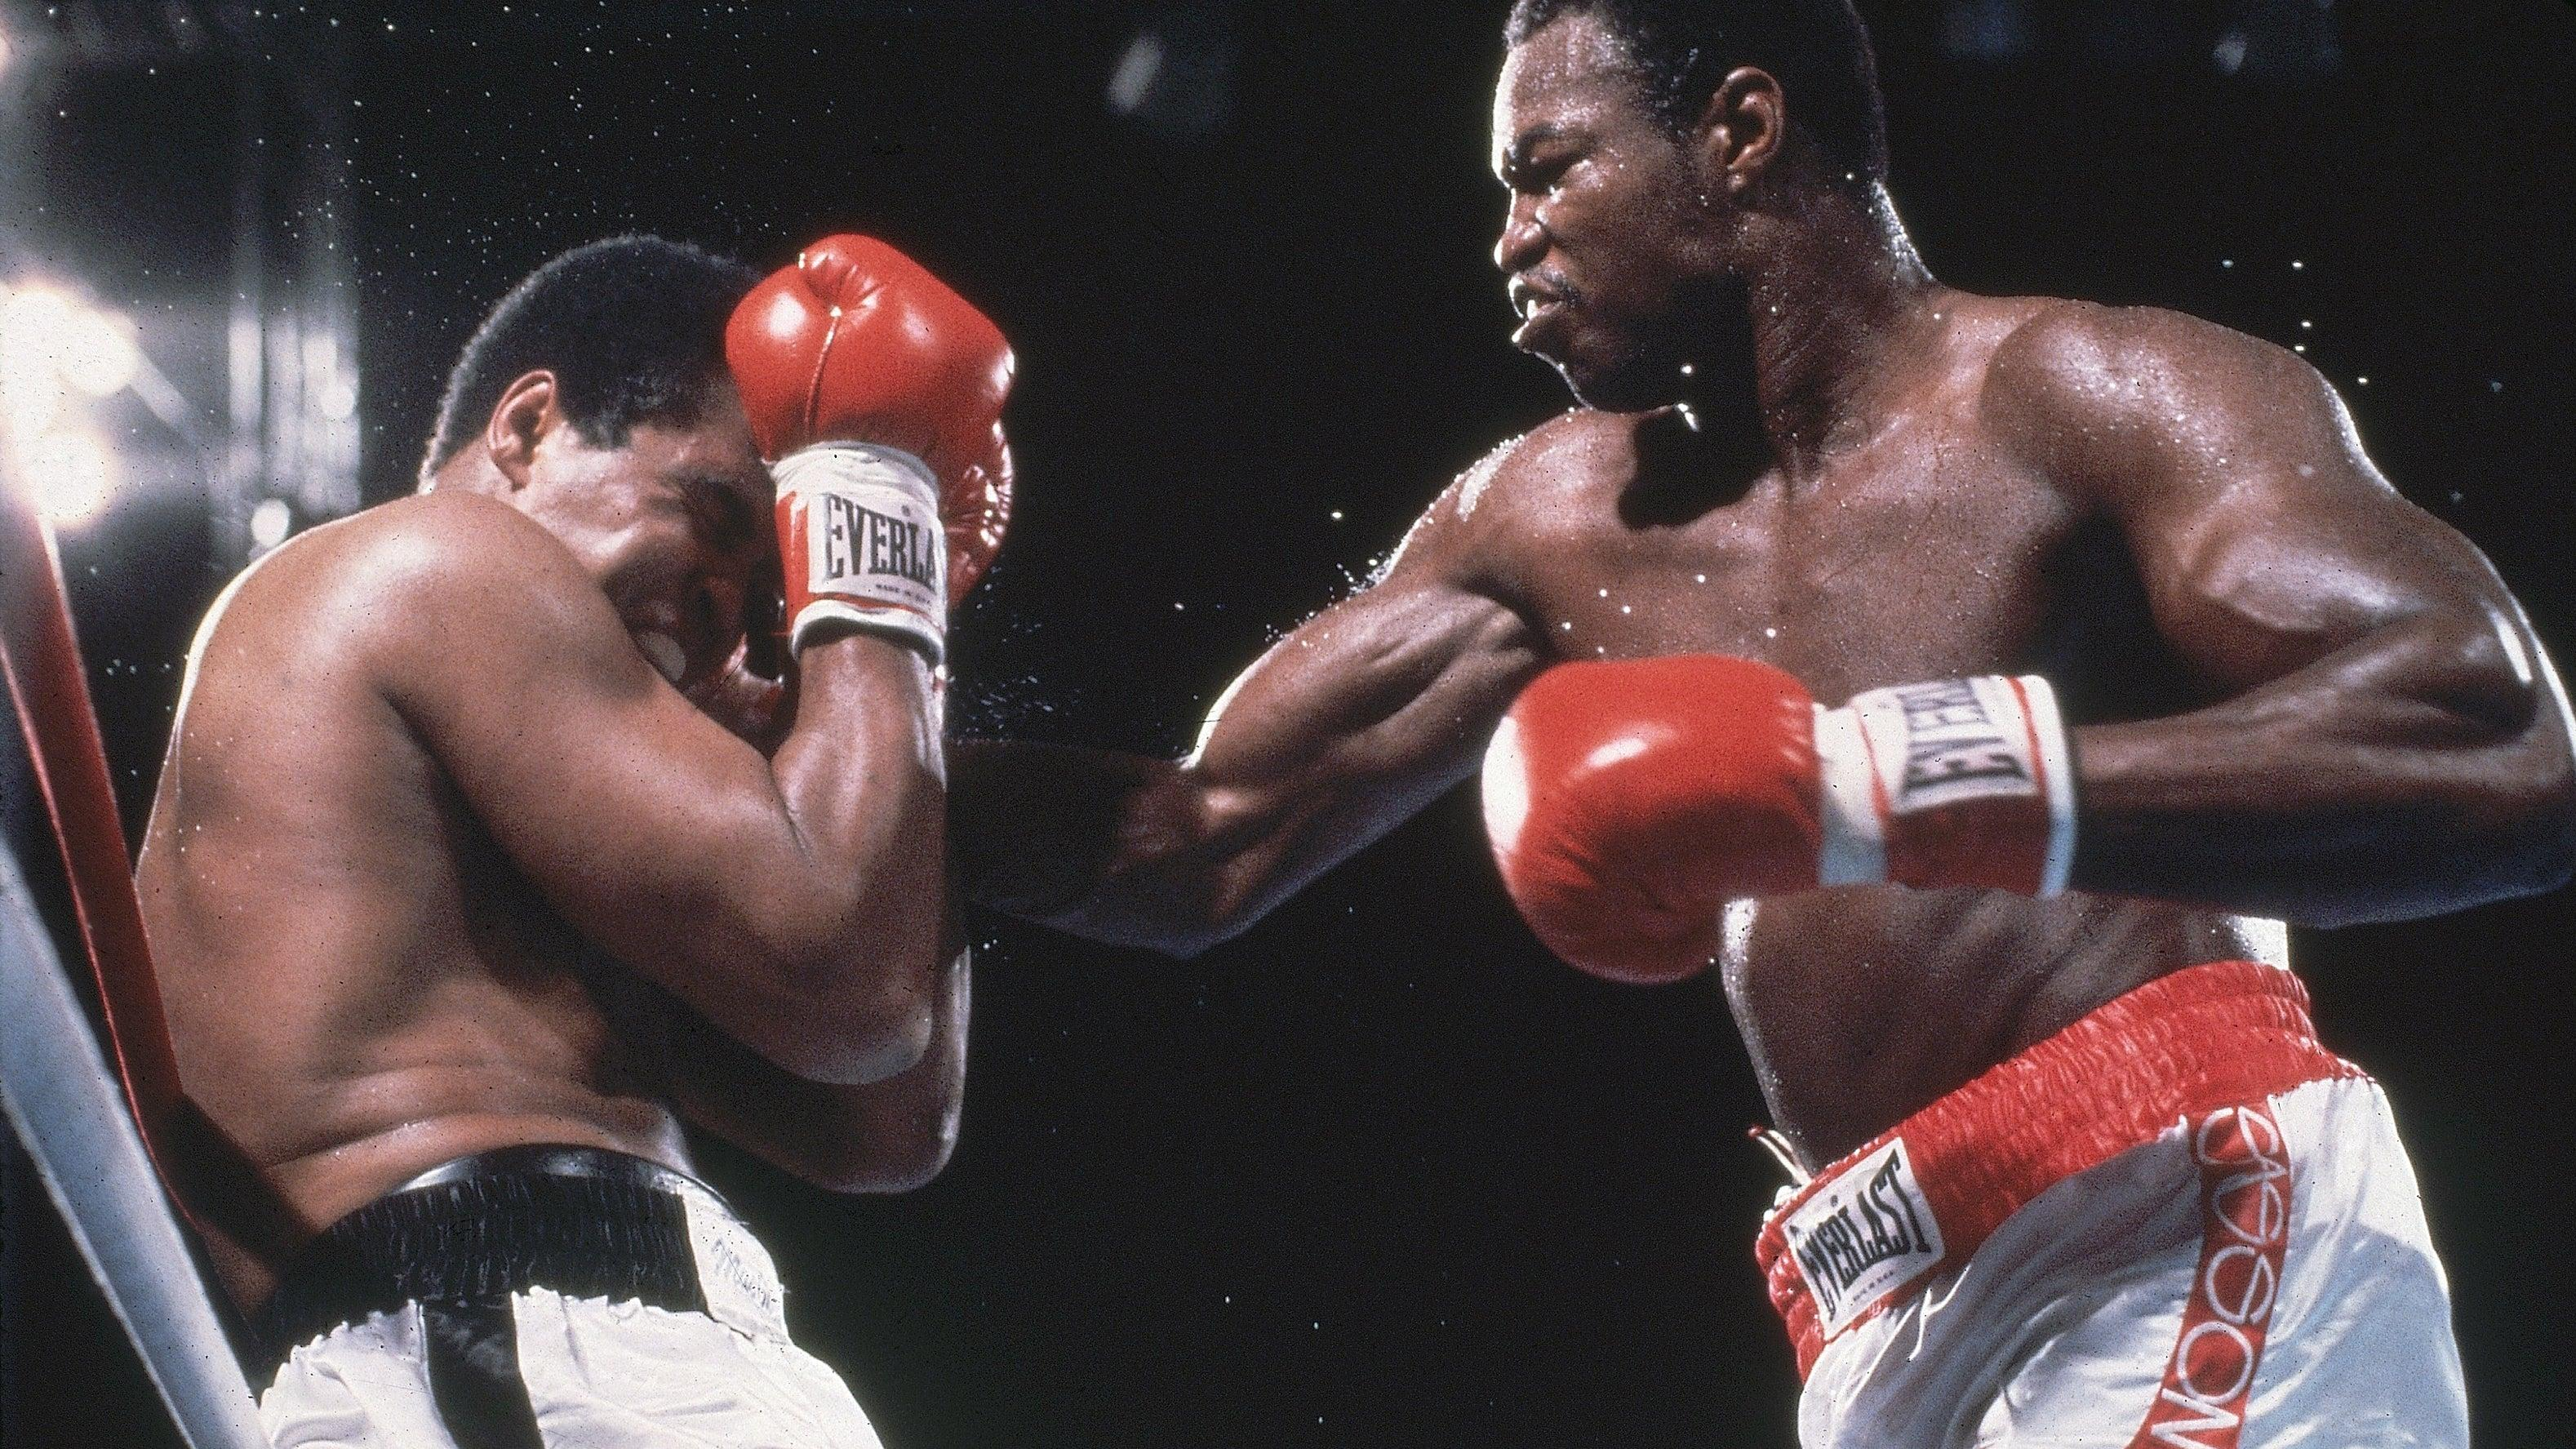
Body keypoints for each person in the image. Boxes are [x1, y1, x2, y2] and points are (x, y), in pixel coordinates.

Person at [953, 2, 2576, 1445]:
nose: (1508, 238)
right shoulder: (1549, 522)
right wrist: (829, 716)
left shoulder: (2091, 395)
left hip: (2174, 1202)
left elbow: (2492, 744)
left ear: (1738, 129)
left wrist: (1866, 781)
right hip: (1870, 1314)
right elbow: (1197, 838)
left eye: (1550, 171)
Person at [134, 232, 1014, 1447]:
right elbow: (850, 982)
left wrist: (875, 637)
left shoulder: (519, 834)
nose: (729, 626)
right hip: (498, 1336)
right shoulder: (436, 561)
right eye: (710, 515)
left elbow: (886, 1112)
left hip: (589, 1349)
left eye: (771, 596)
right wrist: (873, 529)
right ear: (528, 427)